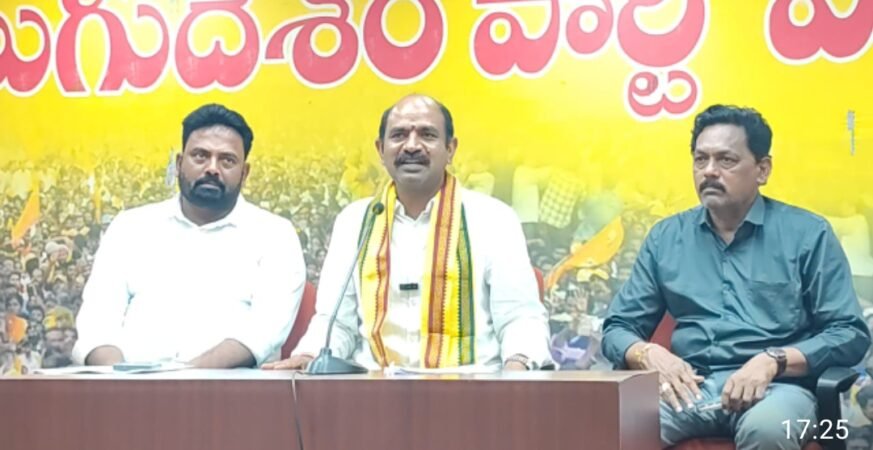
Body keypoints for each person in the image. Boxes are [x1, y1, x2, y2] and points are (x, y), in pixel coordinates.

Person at [601, 104, 871, 449]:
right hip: (688, 388)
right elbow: (618, 326)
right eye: (701, 160)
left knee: (767, 430)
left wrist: (773, 361)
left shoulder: (807, 234)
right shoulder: (666, 237)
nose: (709, 171)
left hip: (778, 391)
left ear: (762, 169)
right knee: (607, 427)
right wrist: (646, 353)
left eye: (726, 160)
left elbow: (849, 333)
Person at [265, 94, 552, 371]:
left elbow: (519, 318)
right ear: (381, 149)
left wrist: (517, 368)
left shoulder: (494, 218)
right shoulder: (355, 221)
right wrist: (309, 355)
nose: (412, 146)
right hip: (374, 389)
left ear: (450, 149)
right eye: (399, 135)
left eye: (427, 135)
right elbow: (336, 323)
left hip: (470, 389)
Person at [72, 104, 306, 368]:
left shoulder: (275, 235)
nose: (212, 168)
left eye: (227, 160)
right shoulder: (130, 227)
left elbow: (263, 333)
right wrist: (120, 381)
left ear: (245, 173)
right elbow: (97, 324)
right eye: (200, 156)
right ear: (179, 164)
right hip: (126, 387)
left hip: (231, 390)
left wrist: (178, 383)